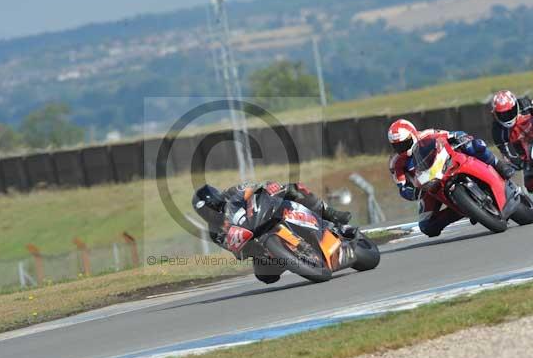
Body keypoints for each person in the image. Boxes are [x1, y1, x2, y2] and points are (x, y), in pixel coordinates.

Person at [192, 182, 352, 283]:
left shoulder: (232, 193)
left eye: (209, 208)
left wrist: (269, 187)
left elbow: (254, 188)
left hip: (267, 214)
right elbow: (238, 253)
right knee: (265, 276)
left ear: (216, 198)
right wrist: (243, 247)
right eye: (204, 213)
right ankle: (295, 258)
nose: (209, 214)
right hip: (258, 246)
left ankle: (331, 214)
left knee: (294, 188)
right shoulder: (215, 232)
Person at [388, 118, 514, 237]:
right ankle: (464, 210)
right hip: (429, 186)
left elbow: (451, 134)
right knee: (427, 226)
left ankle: (498, 165)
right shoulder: (395, 163)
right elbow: (402, 187)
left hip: (448, 164)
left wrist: (460, 137)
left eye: (404, 143)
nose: (402, 148)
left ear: (413, 135)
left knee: (475, 145)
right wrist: (414, 192)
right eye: (397, 146)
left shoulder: (428, 134)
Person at [491, 90, 533, 192]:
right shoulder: (497, 130)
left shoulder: (525, 104)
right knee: (529, 185)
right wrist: (519, 162)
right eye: (502, 115)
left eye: (509, 112)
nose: (506, 116)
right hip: (527, 155)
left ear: (516, 106)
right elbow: (507, 153)